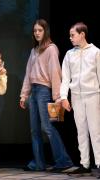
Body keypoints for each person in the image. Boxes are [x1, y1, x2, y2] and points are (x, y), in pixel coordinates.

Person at [20, 19, 73, 172]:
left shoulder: (51, 49)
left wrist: (58, 96)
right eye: (35, 30)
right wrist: (24, 95)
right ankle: (38, 163)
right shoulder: (33, 51)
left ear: (45, 31)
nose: (37, 33)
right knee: (34, 130)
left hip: (44, 91)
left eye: (40, 30)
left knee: (47, 127)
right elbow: (28, 74)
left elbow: (55, 73)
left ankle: (63, 160)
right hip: (33, 93)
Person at [60, 22, 100, 178]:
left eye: (73, 35)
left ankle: (99, 163)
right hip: (76, 96)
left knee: (95, 131)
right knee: (81, 131)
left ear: (82, 34)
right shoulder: (70, 54)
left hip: (93, 95)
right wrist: (64, 97)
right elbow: (65, 78)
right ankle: (85, 164)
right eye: (70, 35)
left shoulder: (96, 52)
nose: (70, 38)